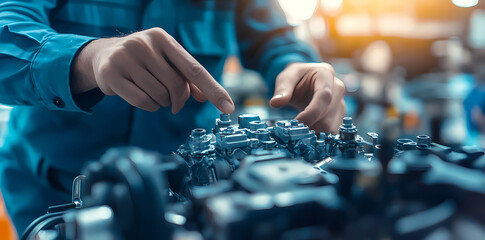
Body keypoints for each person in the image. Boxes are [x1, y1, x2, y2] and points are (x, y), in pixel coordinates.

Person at [0, 0, 346, 234]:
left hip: (193, 206)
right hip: (53, 196)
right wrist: (87, 57)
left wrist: (296, 65)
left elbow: (271, 36)